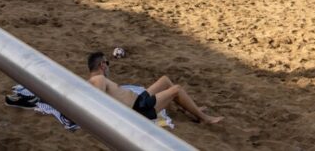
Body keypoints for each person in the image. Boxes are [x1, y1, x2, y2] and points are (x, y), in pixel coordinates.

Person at [86, 52, 221, 125]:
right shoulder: (99, 79)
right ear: (102, 65)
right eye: (107, 63)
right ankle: (204, 117)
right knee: (176, 89)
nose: (109, 66)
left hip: (139, 100)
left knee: (165, 80)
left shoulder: (94, 80)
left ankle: (192, 110)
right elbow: (99, 101)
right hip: (139, 109)